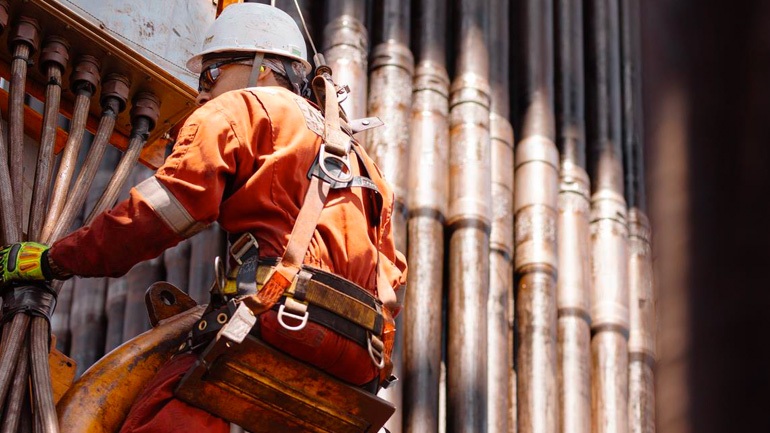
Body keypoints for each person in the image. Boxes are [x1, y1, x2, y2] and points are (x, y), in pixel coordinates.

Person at [0, 3, 406, 432]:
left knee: (158, 416)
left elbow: (157, 215)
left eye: (211, 74)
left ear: (262, 68)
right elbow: (391, 274)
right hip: (362, 360)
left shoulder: (243, 110)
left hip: (280, 322)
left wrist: (51, 260)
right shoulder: (363, 160)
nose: (201, 93)